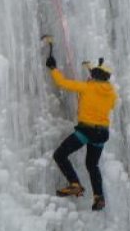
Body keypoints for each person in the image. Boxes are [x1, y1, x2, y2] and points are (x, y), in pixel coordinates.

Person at [45, 53, 118, 211]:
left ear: (95, 76)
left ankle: (75, 184)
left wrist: (53, 68)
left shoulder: (87, 87)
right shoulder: (112, 93)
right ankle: (98, 196)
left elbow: (62, 83)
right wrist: (92, 74)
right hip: (102, 134)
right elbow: (107, 100)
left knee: (60, 155)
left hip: (87, 130)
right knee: (92, 165)